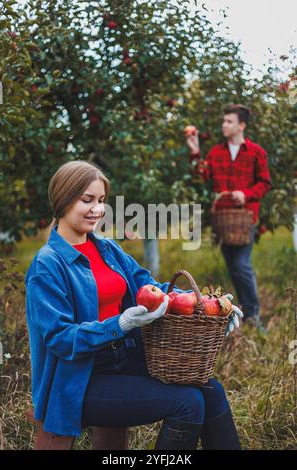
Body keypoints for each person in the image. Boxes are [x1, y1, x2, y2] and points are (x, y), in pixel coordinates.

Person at [25, 160, 243, 450]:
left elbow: (150, 285)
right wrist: (120, 324)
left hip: (124, 360)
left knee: (211, 390)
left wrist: (209, 305)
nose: (97, 209)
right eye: (86, 200)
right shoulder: (48, 264)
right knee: (187, 403)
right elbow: (61, 339)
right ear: (63, 199)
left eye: (101, 201)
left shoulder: (105, 248)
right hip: (79, 379)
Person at [186, 104, 272, 331]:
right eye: (223, 121)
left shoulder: (256, 152)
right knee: (233, 268)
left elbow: (265, 183)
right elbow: (201, 177)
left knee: (242, 265)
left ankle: (254, 315)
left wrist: (247, 194)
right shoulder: (216, 152)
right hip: (223, 220)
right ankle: (241, 312)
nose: (224, 124)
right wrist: (195, 150)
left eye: (229, 121)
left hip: (245, 219)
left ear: (241, 125)